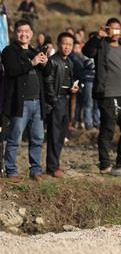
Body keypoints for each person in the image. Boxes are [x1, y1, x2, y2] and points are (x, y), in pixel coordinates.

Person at [82, 18, 121, 173]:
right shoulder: (101, 46)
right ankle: (105, 164)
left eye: (117, 29)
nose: (115, 32)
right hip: (108, 95)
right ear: (107, 30)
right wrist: (98, 36)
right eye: (111, 29)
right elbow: (87, 51)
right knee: (107, 130)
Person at [2, 19, 49, 181]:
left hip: (37, 102)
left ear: (32, 34)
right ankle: (11, 170)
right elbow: (12, 71)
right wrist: (32, 62)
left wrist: (45, 63)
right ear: (15, 33)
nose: (24, 34)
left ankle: (35, 170)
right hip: (20, 102)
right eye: (20, 31)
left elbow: (47, 74)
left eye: (27, 31)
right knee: (14, 137)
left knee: (37, 138)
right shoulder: (9, 51)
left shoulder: (34, 51)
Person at [43, 32, 80, 177]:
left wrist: (73, 88)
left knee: (61, 134)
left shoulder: (70, 62)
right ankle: (52, 167)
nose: (67, 47)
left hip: (65, 100)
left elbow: (67, 82)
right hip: (56, 101)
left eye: (70, 44)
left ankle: (55, 164)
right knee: (54, 134)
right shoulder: (53, 61)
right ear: (59, 44)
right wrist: (54, 100)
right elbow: (48, 82)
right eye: (64, 44)